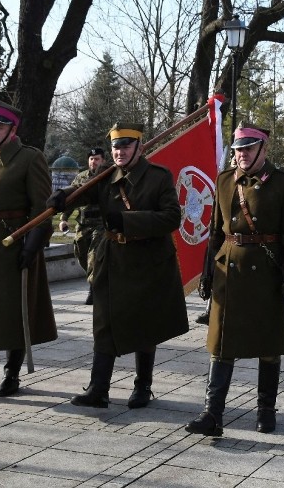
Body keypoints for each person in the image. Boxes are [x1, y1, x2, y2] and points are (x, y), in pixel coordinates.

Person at [47, 122, 188, 410]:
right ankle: (98, 389)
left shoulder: (158, 177)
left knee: (144, 325)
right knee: (103, 322)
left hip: (147, 260)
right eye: (115, 146)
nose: (119, 151)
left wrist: (128, 221)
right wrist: (63, 199)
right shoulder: (104, 175)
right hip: (111, 258)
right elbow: (80, 192)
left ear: (140, 146)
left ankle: (142, 386)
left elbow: (172, 218)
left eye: (125, 145)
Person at [184, 122, 284, 436]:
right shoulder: (225, 180)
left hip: (267, 275)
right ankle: (213, 414)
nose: (242, 154)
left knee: (268, 345)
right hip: (229, 274)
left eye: (249, 148)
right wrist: (208, 273)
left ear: (263, 149)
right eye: (238, 149)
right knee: (221, 344)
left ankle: (266, 409)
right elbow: (215, 233)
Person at [0, 100, 58, 397]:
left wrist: (32, 245)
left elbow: (41, 208)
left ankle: (11, 374)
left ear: (12, 129)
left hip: (11, 246)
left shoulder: (29, 159)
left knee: (14, 312)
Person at [59, 148, 107, 306]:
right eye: (92, 159)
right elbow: (72, 198)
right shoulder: (80, 177)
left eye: (97, 159)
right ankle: (96, 280)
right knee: (81, 253)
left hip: (101, 224)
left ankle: (93, 289)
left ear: (103, 161)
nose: (94, 162)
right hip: (83, 223)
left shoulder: (107, 176)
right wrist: (64, 218)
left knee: (94, 254)